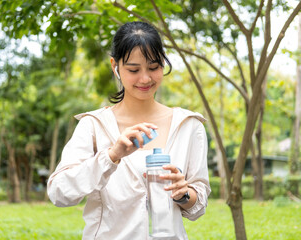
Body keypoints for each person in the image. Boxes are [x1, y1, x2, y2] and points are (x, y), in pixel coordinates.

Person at [47, 21, 211, 240]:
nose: (145, 78)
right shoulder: (94, 125)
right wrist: (112, 156)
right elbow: (59, 192)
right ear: (115, 66)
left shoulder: (189, 125)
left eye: (153, 67)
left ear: (163, 62)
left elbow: (198, 205)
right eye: (133, 69)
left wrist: (184, 194)